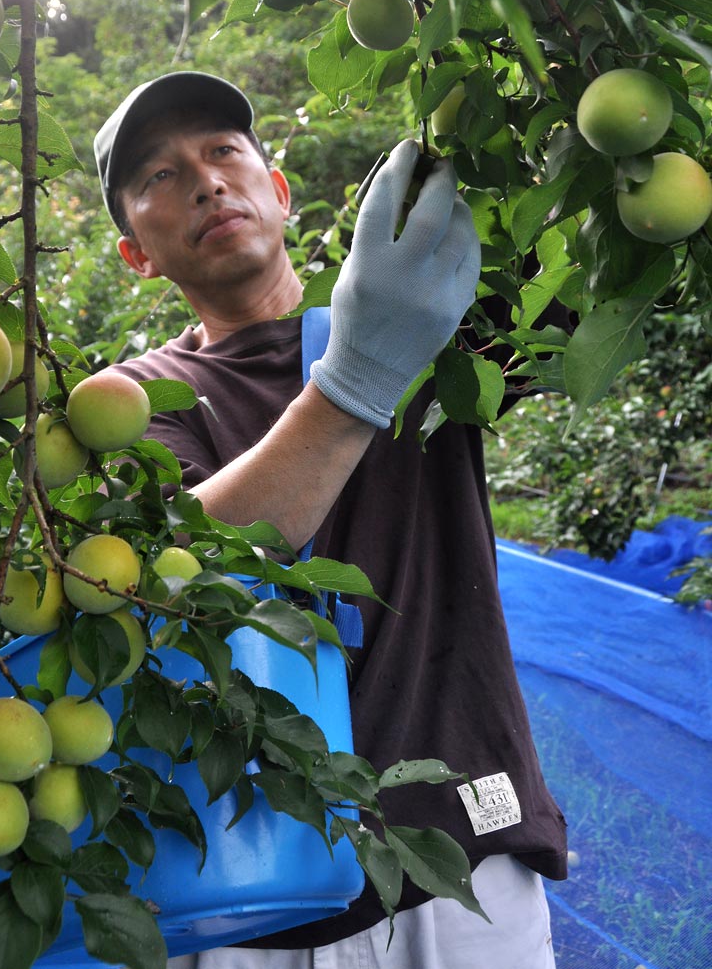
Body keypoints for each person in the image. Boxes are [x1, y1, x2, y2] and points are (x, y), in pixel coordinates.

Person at [93, 71, 567, 969]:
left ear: (277, 192)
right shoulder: (127, 400)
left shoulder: (426, 311)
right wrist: (359, 378)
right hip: (250, 895)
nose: (205, 181)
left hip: (461, 850)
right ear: (136, 255)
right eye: (158, 177)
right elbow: (178, 568)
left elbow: (596, 266)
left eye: (225, 151)